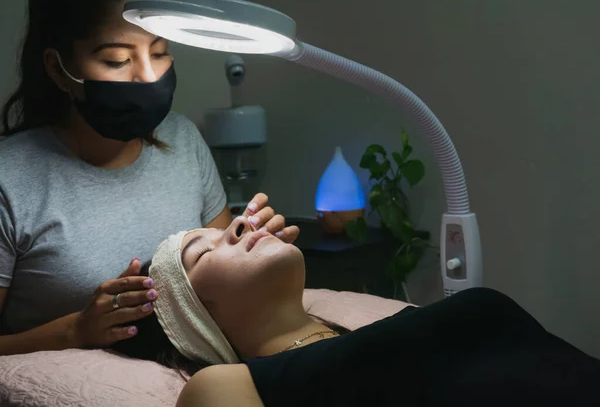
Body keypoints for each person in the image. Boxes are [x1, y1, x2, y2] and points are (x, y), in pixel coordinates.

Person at [0, 0, 298, 356]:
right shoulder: (10, 180)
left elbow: (226, 288)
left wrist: (257, 246)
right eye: (117, 59)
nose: (148, 76)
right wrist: (74, 331)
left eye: (158, 52)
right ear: (59, 70)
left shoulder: (183, 140)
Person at [113, 216, 600, 407]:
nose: (239, 223)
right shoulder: (220, 386)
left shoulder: (382, 333)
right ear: (199, 316)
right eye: (204, 251)